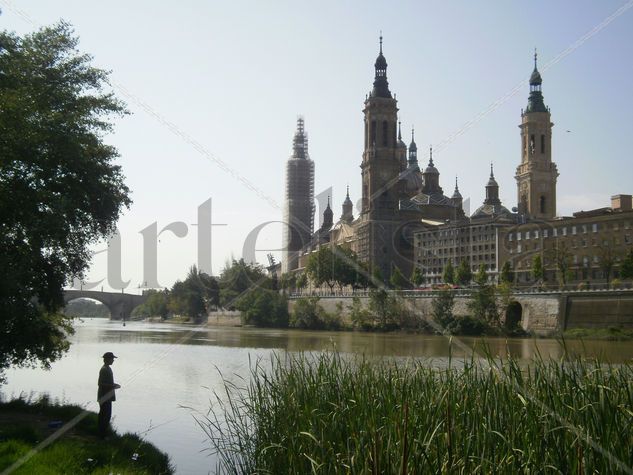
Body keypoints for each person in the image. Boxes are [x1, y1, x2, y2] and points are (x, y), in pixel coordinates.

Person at [97, 351, 121, 438]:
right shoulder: (104, 369)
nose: (113, 360)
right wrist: (113, 386)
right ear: (107, 359)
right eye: (112, 358)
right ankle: (101, 436)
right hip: (104, 397)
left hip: (107, 397)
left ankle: (102, 434)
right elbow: (100, 384)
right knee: (104, 416)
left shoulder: (108, 368)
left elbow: (107, 382)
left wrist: (113, 385)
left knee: (106, 416)